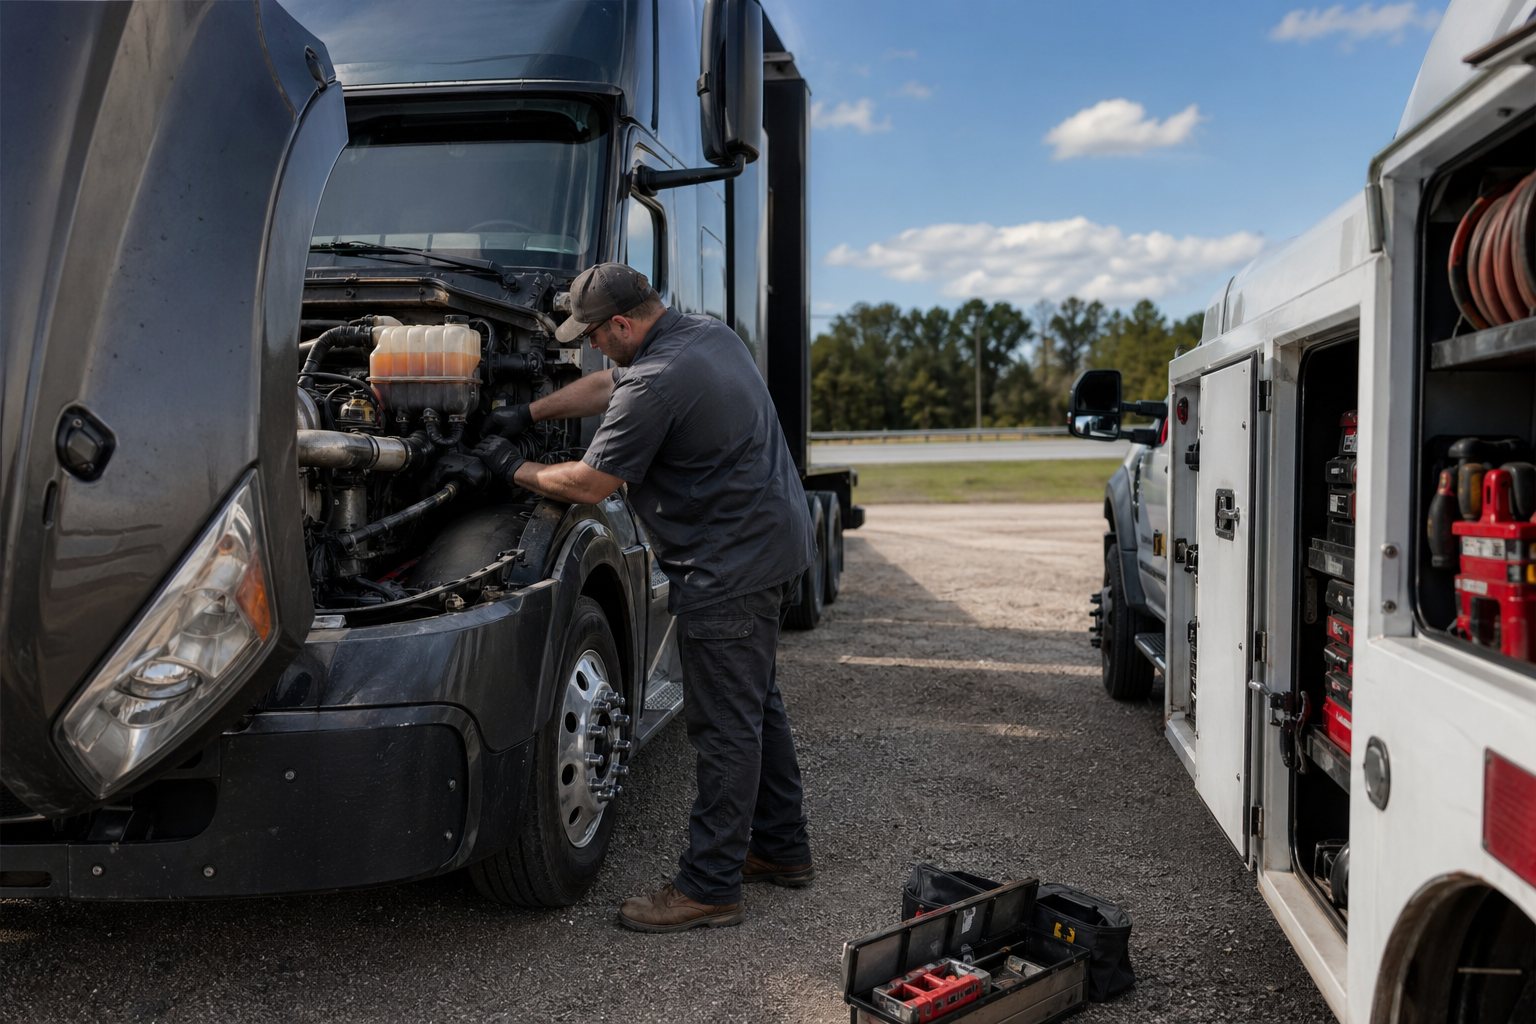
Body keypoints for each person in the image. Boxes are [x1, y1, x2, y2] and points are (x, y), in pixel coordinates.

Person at [470, 262, 817, 933]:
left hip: (730, 566)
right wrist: (525, 412)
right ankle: (780, 849)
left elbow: (589, 483)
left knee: (723, 727)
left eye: (596, 333)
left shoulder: (657, 384)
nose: (593, 347)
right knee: (755, 707)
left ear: (622, 323)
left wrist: (508, 467)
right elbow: (608, 385)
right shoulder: (701, 337)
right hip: (772, 543)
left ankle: (709, 885)